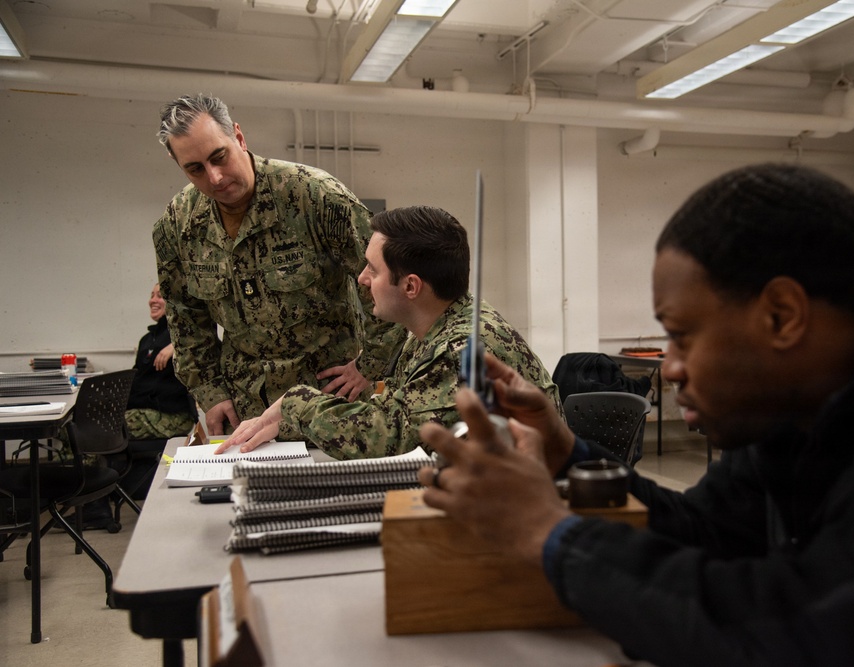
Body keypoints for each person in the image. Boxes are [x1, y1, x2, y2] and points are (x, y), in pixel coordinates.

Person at [416, 164, 854, 666]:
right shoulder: (802, 392)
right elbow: (710, 529)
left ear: (781, 315)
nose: (668, 368)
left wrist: (547, 533)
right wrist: (565, 451)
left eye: (681, 336)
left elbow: (831, 636)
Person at [217, 205, 561, 460]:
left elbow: (390, 438)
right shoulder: (429, 330)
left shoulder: (462, 348)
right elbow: (395, 411)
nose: (362, 278)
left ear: (411, 286)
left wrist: (295, 404)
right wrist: (287, 423)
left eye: (373, 268)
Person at [152, 94, 404, 436]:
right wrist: (209, 393)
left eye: (219, 157)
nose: (214, 178)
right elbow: (185, 318)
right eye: (195, 168)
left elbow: (386, 280)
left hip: (331, 403)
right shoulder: (178, 224)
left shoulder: (314, 196)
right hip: (244, 412)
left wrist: (369, 365)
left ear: (238, 137)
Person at [124, 283, 197, 439]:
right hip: (143, 408)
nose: (153, 300)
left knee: (109, 427)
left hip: (172, 414)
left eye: (160, 295)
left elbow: (203, 343)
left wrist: (177, 346)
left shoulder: (184, 337)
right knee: (87, 422)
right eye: (152, 295)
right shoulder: (147, 339)